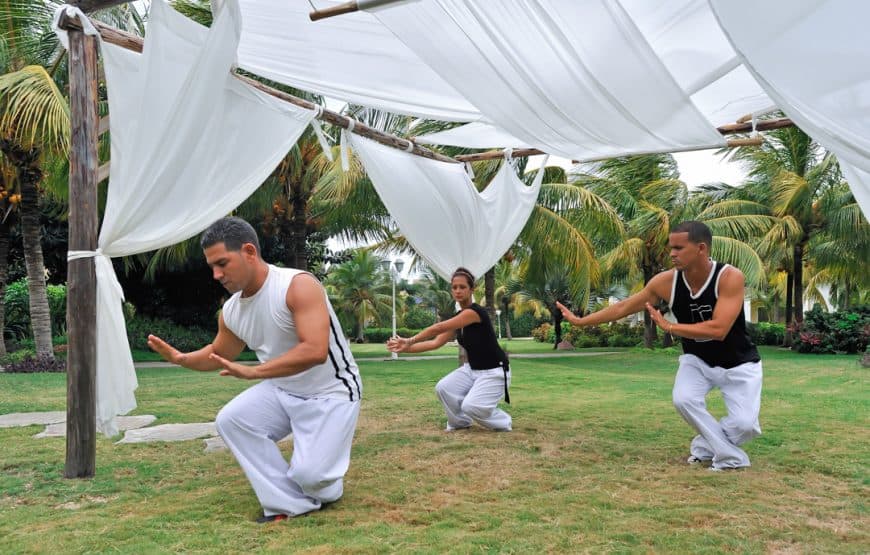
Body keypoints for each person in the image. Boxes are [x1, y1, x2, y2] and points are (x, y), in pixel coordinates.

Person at [147, 217, 362, 522]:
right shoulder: (232, 310)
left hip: (332, 392)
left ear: (249, 251)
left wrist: (255, 373)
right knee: (233, 420)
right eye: (211, 266)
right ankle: (288, 504)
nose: (216, 275)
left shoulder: (297, 285)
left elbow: (315, 350)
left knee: (312, 478)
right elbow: (217, 354)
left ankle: (323, 484)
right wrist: (181, 358)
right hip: (283, 389)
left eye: (222, 263)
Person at [556, 221, 762, 471]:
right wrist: (581, 321)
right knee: (683, 400)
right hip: (697, 360)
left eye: (679, 248)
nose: (672, 254)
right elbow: (623, 307)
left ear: (701, 248)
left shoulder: (729, 277)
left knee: (745, 425)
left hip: (739, 362)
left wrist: (671, 327)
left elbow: (719, 329)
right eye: (670, 247)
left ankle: (705, 447)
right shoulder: (665, 282)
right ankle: (730, 458)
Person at [387, 267, 511, 432]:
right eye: (454, 287)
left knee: (471, 406)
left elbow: (438, 327)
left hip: (494, 371)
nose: (458, 291)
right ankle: (460, 423)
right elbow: (435, 343)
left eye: (462, 287)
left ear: (471, 289)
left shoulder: (474, 313)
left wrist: (410, 340)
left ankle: (503, 422)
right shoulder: (458, 318)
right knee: (444, 388)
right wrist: (404, 348)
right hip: (472, 370)